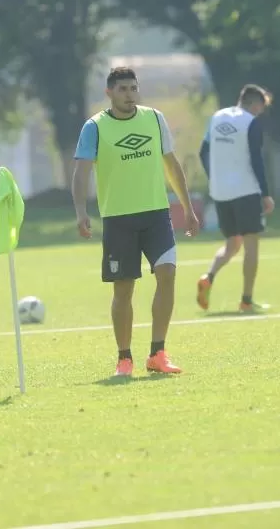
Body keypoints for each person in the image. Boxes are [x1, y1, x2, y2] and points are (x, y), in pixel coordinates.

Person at [71, 66, 200, 377]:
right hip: (118, 220)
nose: (129, 95)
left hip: (156, 215)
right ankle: (124, 358)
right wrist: (81, 212)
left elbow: (171, 164)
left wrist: (187, 207)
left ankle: (158, 353)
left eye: (133, 88)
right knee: (124, 290)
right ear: (109, 93)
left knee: (167, 274)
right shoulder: (95, 127)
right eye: (122, 90)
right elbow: (81, 172)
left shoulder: (154, 119)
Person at [196, 84, 275, 312]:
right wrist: (266, 194)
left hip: (221, 192)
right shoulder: (250, 122)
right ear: (255, 104)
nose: (261, 112)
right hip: (246, 191)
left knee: (232, 244)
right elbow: (256, 161)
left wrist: (215, 178)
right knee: (251, 245)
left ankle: (208, 277)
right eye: (261, 107)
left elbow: (203, 152)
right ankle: (246, 301)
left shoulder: (217, 117)